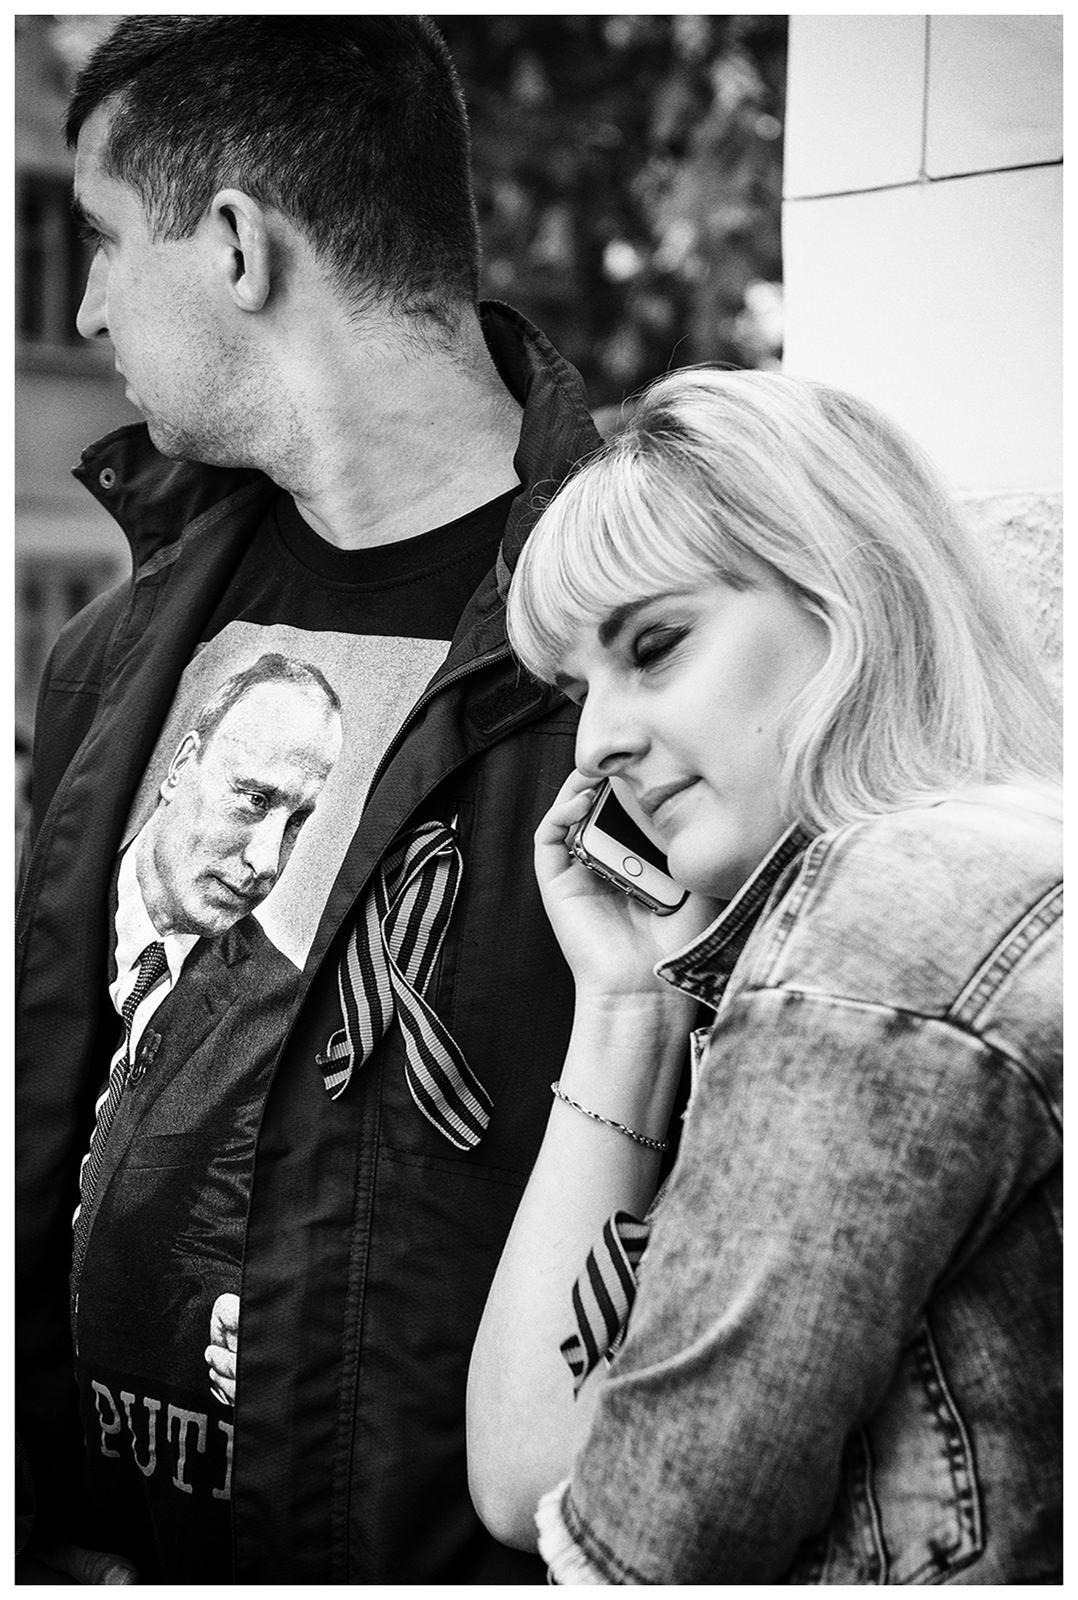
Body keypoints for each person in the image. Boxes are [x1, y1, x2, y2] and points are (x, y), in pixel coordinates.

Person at [16, 16, 601, 1585]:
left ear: (232, 246)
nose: (80, 307)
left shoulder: (626, 654)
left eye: (99, 242)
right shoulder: (115, 643)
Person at [467, 368, 1062, 1583]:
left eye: (656, 645)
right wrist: (626, 1005)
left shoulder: (880, 938)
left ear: (843, 590)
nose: (597, 743)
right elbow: (526, 1477)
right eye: (580, 690)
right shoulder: (996, 873)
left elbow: (632, 1546)